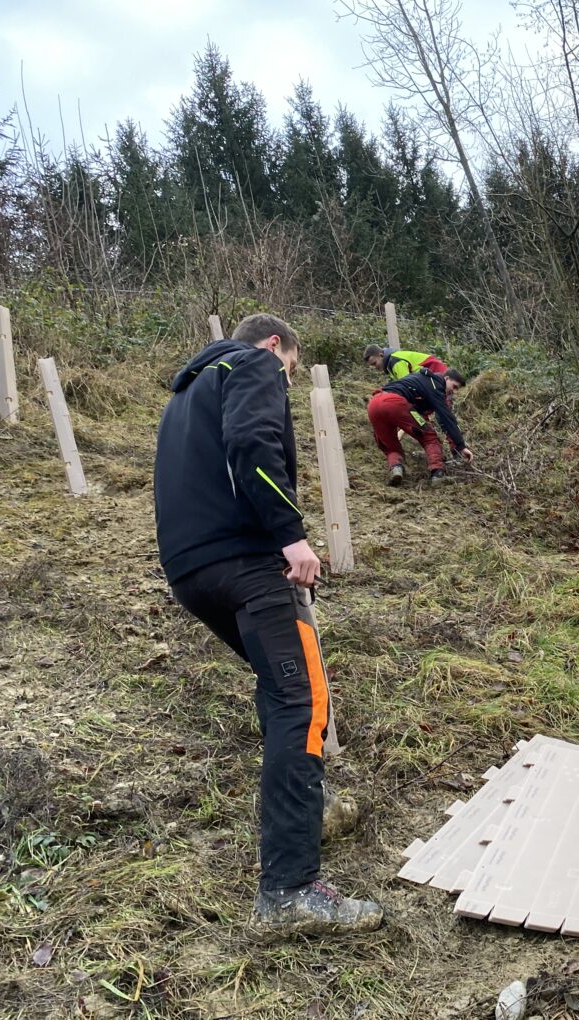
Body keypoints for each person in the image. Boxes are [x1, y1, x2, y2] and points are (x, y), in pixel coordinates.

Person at [154, 312, 383, 937]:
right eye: (287, 367)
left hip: (191, 571)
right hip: (247, 564)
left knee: (279, 690)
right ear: (277, 345)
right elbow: (253, 442)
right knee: (300, 700)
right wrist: (292, 537)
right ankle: (288, 889)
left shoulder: (183, 396)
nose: (281, 379)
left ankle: (303, 810)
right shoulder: (251, 363)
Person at [366, 366, 474, 485]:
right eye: (454, 387)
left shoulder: (420, 380)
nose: (454, 391)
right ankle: (437, 474)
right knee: (430, 436)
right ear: (446, 378)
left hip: (374, 404)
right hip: (394, 402)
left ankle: (396, 468)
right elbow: (446, 417)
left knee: (390, 445)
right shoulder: (436, 384)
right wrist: (460, 446)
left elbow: (416, 414)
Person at [363, 343, 448, 380]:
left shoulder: (395, 362)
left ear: (381, 356)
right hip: (432, 375)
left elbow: (407, 384)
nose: (374, 367)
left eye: (374, 363)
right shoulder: (391, 363)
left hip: (438, 372)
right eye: (372, 366)